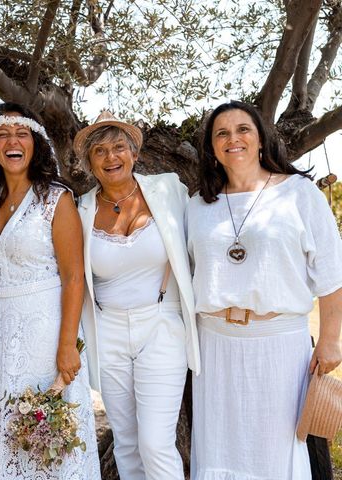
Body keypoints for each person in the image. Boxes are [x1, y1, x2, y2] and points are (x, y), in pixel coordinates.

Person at [187, 100, 342, 479]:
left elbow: (332, 274)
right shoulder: (197, 205)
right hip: (215, 348)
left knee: (277, 454)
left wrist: (331, 340)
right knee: (219, 452)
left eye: (243, 129)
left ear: (261, 139)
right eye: (221, 132)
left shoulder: (299, 194)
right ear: (211, 146)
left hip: (279, 347)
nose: (232, 138)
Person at [0, 102, 101, 479]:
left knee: (47, 438)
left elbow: (74, 278)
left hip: (45, 335)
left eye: (21, 133)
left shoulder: (56, 199)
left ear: (35, 143)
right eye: (2, 135)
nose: (12, 141)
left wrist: (67, 345)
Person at [73, 111, 200, 479]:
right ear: (89, 163)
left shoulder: (168, 190)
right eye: (100, 151)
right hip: (108, 330)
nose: (111, 158)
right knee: (127, 443)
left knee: (156, 443)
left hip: (161, 326)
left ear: (132, 153)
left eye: (118, 148)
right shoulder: (80, 209)